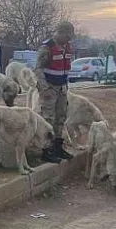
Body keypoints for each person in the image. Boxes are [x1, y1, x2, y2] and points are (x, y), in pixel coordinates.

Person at [34, 21, 76, 164]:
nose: (68, 39)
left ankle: (57, 147)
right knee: (48, 119)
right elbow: (38, 69)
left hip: (62, 88)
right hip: (50, 88)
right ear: (59, 33)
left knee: (61, 118)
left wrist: (65, 86)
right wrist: (44, 88)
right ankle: (46, 150)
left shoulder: (67, 47)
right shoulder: (47, 47)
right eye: (66, 36)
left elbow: (66, 68)